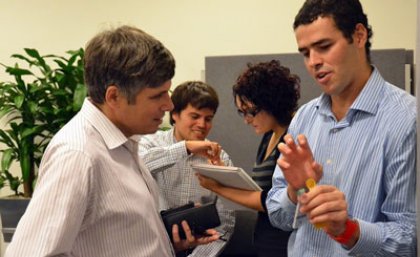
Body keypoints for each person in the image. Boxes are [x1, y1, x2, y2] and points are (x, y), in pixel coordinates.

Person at [5, 26, 219, 257]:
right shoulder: (78, 154)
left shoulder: (126, 142)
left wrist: (165, 245)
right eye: (157, 95)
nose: (168, 105)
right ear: (114, 96)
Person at [266, 0, 417, 256]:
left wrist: (347, 230)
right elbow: (277, 216)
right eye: (305, 53)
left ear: (359, 36)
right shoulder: (304, 117)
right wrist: (295, 191)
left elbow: (409, 238)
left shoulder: (406, 120)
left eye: (324, 47)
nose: (313, 61)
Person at [197, 60, 300, 257]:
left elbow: (272, 201)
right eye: (241, 112)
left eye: (251, 112)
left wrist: (217, 187)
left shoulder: (293, 138)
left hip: (285, 244)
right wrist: (221, 173)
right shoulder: (268, 136)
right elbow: (258, 190)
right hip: (264, 239)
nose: (246, 119)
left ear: (271, 103)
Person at [139, 81, 235, 257]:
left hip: (201, 249)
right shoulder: (149, 142)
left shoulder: (219, 158)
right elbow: (138, 165)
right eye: (194, 116)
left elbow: (226, 220)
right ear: (175, 114)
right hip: (152, 246)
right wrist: (186, 148)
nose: (202, 124)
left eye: (208, 119)